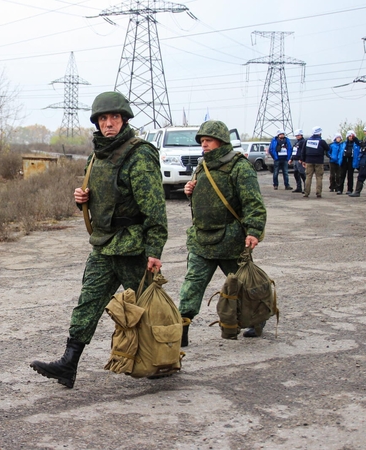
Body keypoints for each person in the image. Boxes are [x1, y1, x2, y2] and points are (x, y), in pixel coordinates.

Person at [30, 91, 168, 388]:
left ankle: (166, 356)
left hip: (134, 247)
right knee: (87, 303)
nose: (108, 123)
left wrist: (154, 249)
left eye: (114, 117)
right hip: (104, 245)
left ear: (124, 119)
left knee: (147, 307)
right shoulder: (96, 157)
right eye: (103, 119)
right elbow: (98, 196)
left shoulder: (139, 154)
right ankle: (68, 364)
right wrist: (82, 198)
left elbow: (155, 209)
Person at [178, 120, 266, 345]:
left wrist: (254, 231)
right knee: (191, 286)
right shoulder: (202, 166)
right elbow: (206, 197)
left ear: (222, 141)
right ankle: (181, 330)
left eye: (208, 140)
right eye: (202, 141)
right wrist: (191, 191)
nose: (203, 145)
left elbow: (253, 203)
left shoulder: (239, 167)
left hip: (231, 240)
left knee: (246, 286)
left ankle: (257, 321)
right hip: (202, 240)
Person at [300, 126, 330, 198]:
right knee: (319, 177)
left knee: (308, 177)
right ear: (319, 133)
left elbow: (303, 151)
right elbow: (327, 148)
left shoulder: (307, 141)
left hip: (309, 161)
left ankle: (306, 193)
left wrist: (303, 160)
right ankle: (318, 193)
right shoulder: (321, 141)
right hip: (319, 161)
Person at [337, 130, 359, 195]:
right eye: (349, 136)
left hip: (351, 160)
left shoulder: (356, 144)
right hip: (344, 160)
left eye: (352, 136)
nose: (350, 137)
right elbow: (340, 152)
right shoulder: (343, 144)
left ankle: (349, 189)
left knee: (350, 176)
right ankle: (340, 189)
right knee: (342, 175)